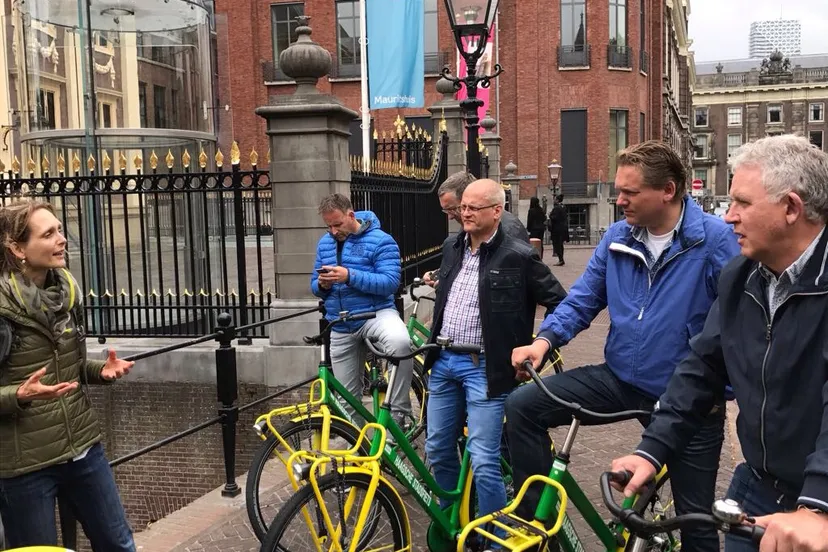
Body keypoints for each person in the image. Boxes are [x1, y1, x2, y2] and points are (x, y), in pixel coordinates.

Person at [508, 140, 741, 552]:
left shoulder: (716, 242)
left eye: (629, 193)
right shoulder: (619, 236)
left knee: (696, 521)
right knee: (523, 407)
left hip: (687, 398)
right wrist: (543, 341)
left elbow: (738, 323)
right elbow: (582, 298)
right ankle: (537, 523)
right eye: (618, 191)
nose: (619, 201)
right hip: (620, 380)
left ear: (667, 191)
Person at [610, 135, 828, 552]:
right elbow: (701, 368)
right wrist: (651, 451)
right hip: (761, 483)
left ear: (791, 208)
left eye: (742, 203)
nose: (728, 217)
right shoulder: (740, 277)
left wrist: (818, 506)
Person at [423, 178, 567, 530]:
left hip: (485, 369)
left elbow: (560, 303)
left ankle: (491, 534)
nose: (465, 213)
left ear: (496, 211)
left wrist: (539, 349)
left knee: (484, 458)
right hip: (443, 361)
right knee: (438, 448)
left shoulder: (518, 255)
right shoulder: (451, 246)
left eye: (474, 207)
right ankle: (452, 517)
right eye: (463, 207)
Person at [0, 200, 135, 550]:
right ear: (17, 248)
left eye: (60, 230)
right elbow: (25, 386)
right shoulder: (3, 311)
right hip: (26, 467)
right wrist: (19, 396)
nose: (62, 239)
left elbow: (65, 370)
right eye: (49, 234)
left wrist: (98, 371)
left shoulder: (66, 294)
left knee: (119, 545)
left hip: (83, 448)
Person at [310, 193, 413, 427]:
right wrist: (322, 285)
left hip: (376, 313)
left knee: (400, 342)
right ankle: (355, 446)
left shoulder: (381, 241)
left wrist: (349, 276)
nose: (333, 231)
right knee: (347, 401)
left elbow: (390, 282)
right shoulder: (324, 243)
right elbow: (314, 285)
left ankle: (399, 413)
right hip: (340, 322)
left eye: (337, 224)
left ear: (351, 215)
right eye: (329, 226)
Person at [424, 171, 529, 287]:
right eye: (446, 211)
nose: (450, 217)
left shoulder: (508, 231)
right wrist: (442, 274)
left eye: (452, 209)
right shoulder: (471, 229)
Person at [547, 194, 568, 266]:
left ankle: (561, 259)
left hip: (557, 229)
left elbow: (554, 218)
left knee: (557, 244)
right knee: (560, 244)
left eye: (555, 199)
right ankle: (561, 259)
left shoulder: (557, 208)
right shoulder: (563, 207)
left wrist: (550, 215)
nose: (554, 200)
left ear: (557, 200)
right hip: (562, 228)